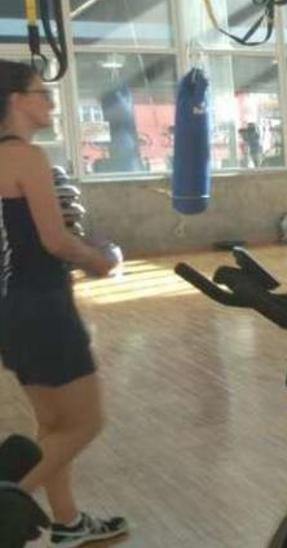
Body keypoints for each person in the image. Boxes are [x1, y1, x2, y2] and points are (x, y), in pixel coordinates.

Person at [0, 60, 129, 547]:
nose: (50, 103)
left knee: (53, 425)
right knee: (86, 423)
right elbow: (56, 241)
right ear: (16, 99)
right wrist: (99, 260)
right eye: (42, 93)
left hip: (10, 313)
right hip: (45, 309)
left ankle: (68, 522)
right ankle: (8, 506)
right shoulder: (26, 159)